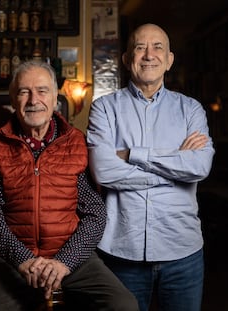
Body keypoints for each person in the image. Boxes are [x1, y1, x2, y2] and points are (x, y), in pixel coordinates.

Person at [0, 60, 139, 311]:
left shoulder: (76, 144)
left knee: (124, 305)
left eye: (42, 90)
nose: (33, 100)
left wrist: (63, 262)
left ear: (54, 98)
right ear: (13, 98)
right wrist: (24, 260)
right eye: (24, 91)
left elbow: (95, 214)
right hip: (15, 259)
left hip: (71, 256)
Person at [87, 23, 215, 311]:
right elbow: (103, 171)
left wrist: (132, 154)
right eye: (140, 47)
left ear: (169, 60)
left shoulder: (191, 110)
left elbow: (199, 166)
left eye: (158, 47)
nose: (149, 55)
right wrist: (173, 170)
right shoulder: (104, 108)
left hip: (183, 252)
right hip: (121, 253)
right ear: (126, 58)